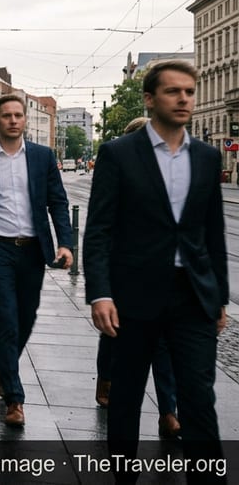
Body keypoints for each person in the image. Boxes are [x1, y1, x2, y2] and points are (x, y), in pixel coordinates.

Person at [83, 60, 228, 473]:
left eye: (188, 91)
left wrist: (217, 296)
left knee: (199, 400)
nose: (183, 99)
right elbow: (99, 230)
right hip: (134, 296)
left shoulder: (206, 156)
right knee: (126, 398)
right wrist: (101, 292)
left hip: (191, 296)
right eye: (173, 91)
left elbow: (211, 234)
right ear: (150, 99)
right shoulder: (118, 154)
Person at [0, 94, 73, 428]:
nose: (14, 120)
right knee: (5, 318)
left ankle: (4, 367)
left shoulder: (42, 157)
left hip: (33, 249)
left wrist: (65, 242)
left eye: (18, 115)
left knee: (26, 318)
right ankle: (14, 398)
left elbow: (57, 202)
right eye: (7, 116)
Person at [92, 116, 181, 438]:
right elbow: (100, 230)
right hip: (122, 273)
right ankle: (106, 379)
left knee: (163, 346)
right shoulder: (117, 172)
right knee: (112, 334)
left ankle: (168, 410)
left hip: (162, 278)